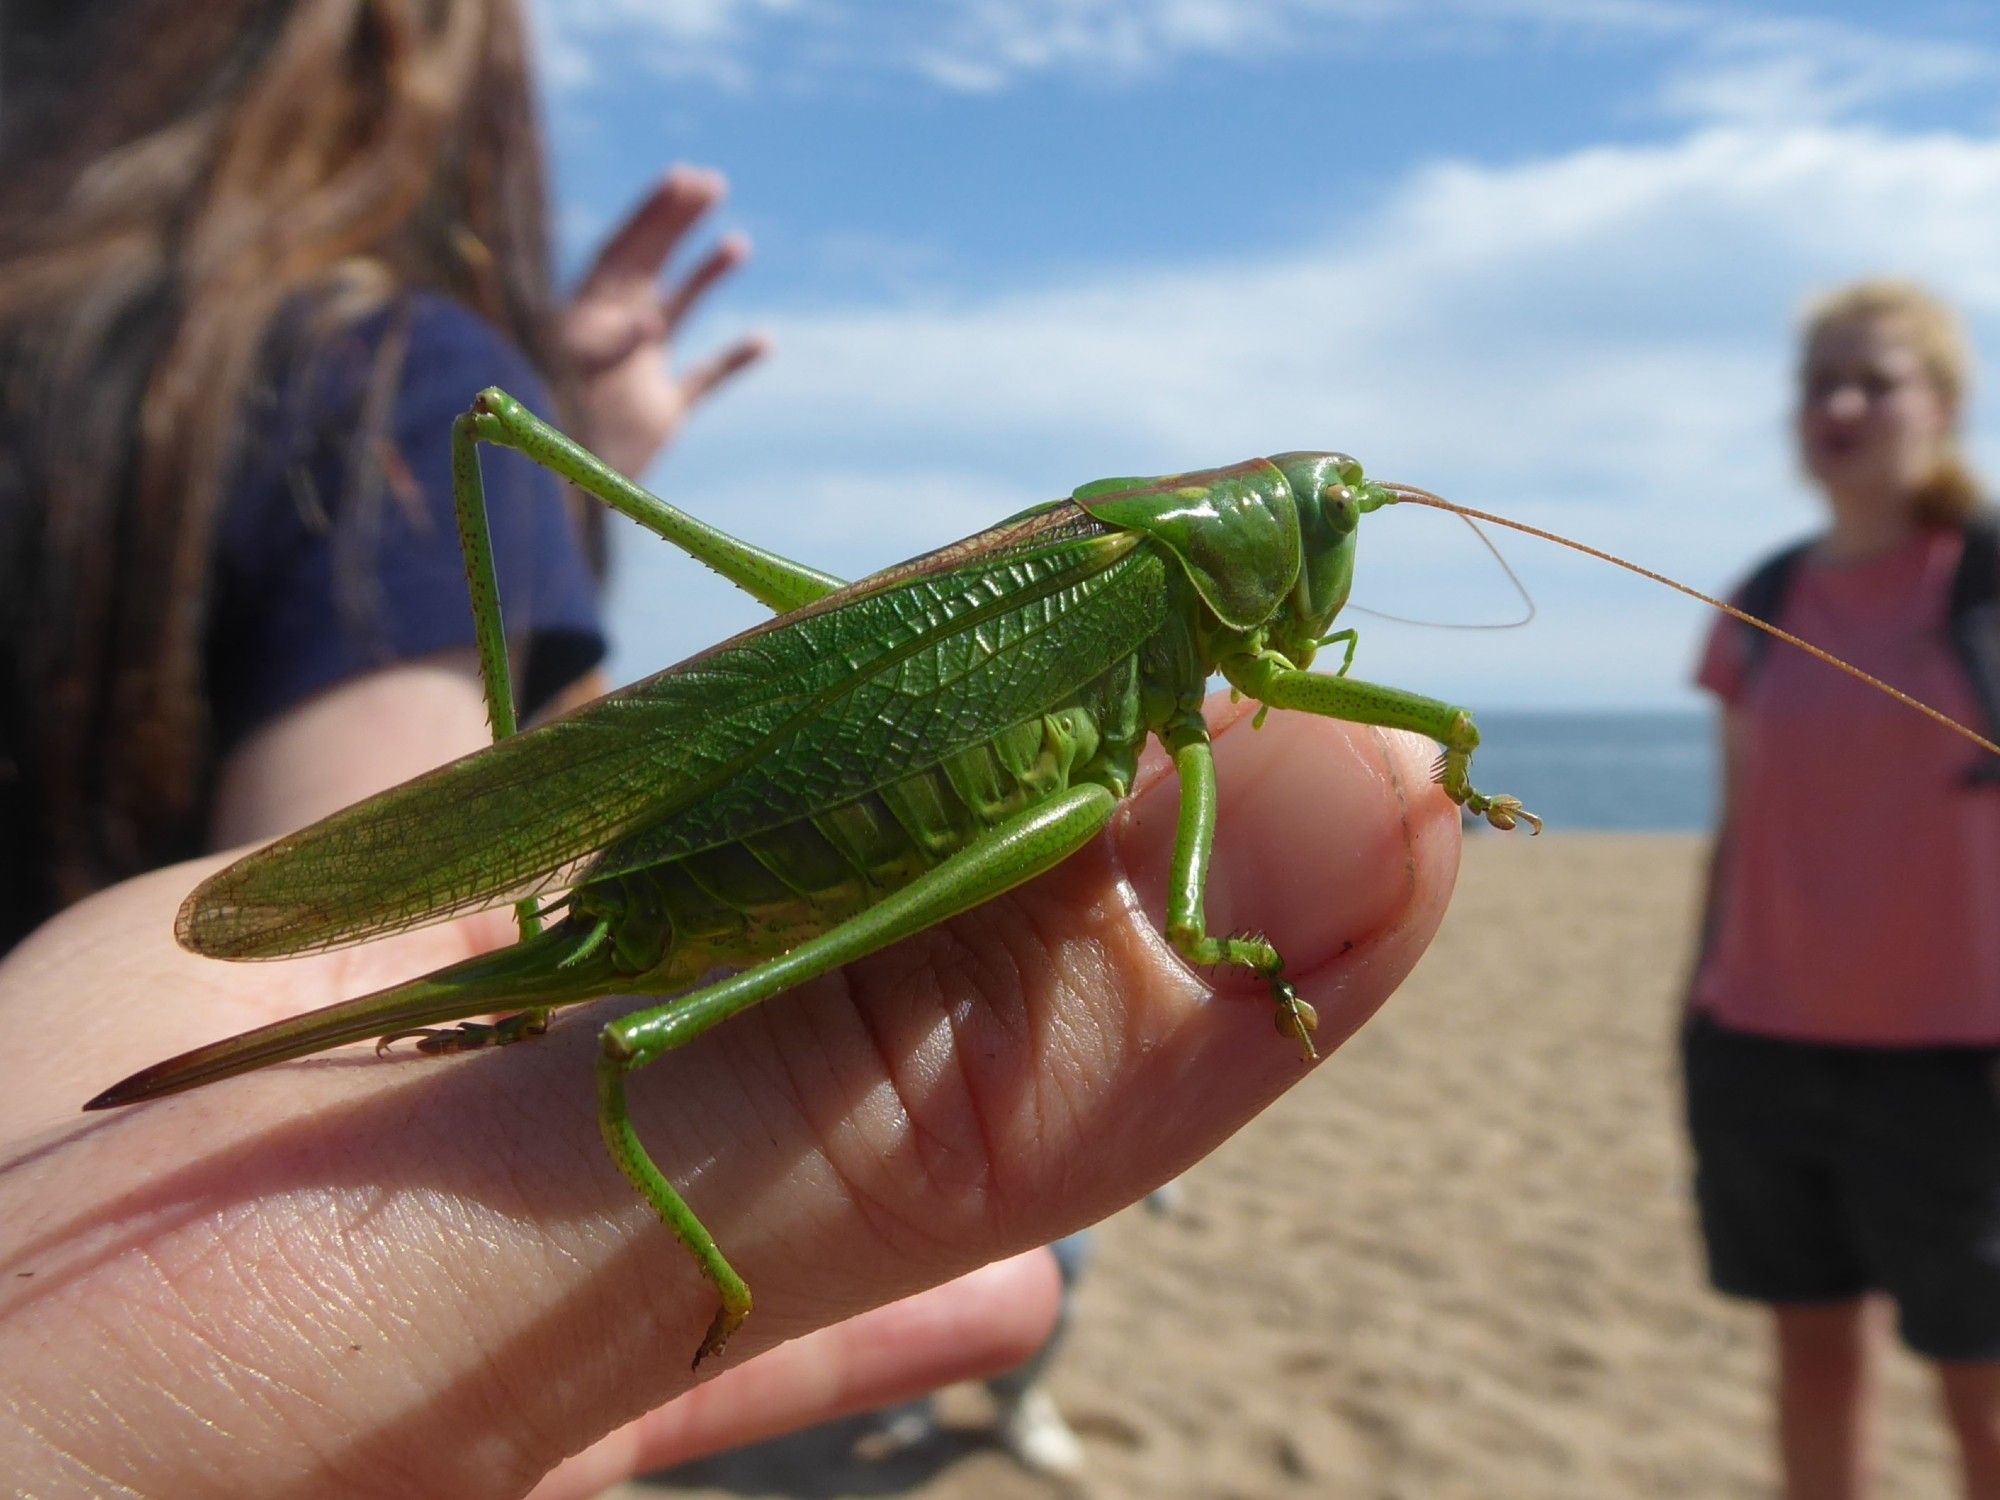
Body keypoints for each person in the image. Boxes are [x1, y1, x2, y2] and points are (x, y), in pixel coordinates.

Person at [1684, 279, 2000, 1499]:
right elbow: (1736, 836)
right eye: (1818, 380)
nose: (1840, 403)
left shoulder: (1981, 585)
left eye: (1874, 378)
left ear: (1941, 406)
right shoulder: (1757, 604)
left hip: (1957, 1059)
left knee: (1976, 1389)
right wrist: (1695, 1013)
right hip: (1759, 1044)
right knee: (1809, 1361)